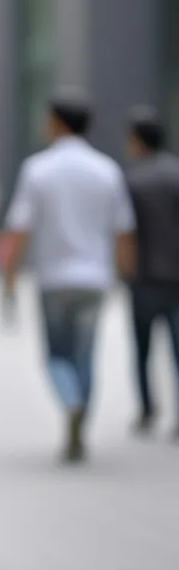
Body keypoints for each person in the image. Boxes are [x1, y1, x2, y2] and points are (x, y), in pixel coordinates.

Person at [0, 91, 136, 463]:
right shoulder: (107, 169)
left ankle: (70, 403)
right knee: (86, 355)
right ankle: (81, 420)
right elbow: (124, 229)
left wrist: (9, 279)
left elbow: (19, 230)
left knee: (57, 355)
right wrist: (127, 273)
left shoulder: (37, 169)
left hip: (54, 280)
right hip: (96, 279)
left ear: (57, 123)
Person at [125, 106, 179, 437]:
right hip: (177, 280)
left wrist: (125, 271)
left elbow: (125, 233)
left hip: (144, 278)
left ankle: (147, 410)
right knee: (178, 351)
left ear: (137, 141)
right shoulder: (177, 174)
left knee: (142, 350)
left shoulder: (133, 179)